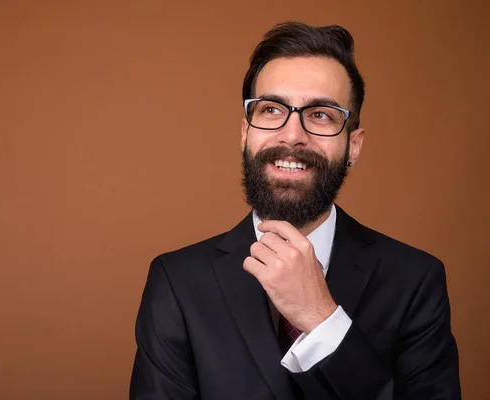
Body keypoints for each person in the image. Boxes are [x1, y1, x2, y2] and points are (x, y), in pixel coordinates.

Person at [129, 22, 461, 399]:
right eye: (271, 110)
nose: (291, 135)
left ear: (353, 145)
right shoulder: (176, 281)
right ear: (245, 133)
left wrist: (323, 321)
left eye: (320, 114)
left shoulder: (416, 280)